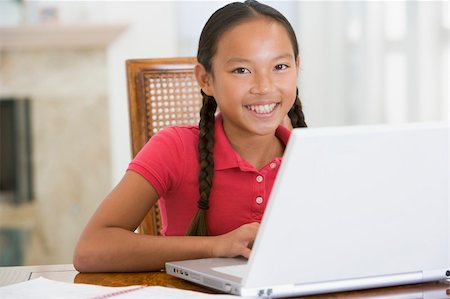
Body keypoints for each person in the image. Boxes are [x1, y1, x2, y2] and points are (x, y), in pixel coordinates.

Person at [73, 0, 306, 273]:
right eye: (242, 70)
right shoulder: (174, 148)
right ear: (205, 80)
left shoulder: (313, 158)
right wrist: (217, 246)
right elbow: (91, 250)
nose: (264, 86)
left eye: (280, 67)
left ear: (297, 67)